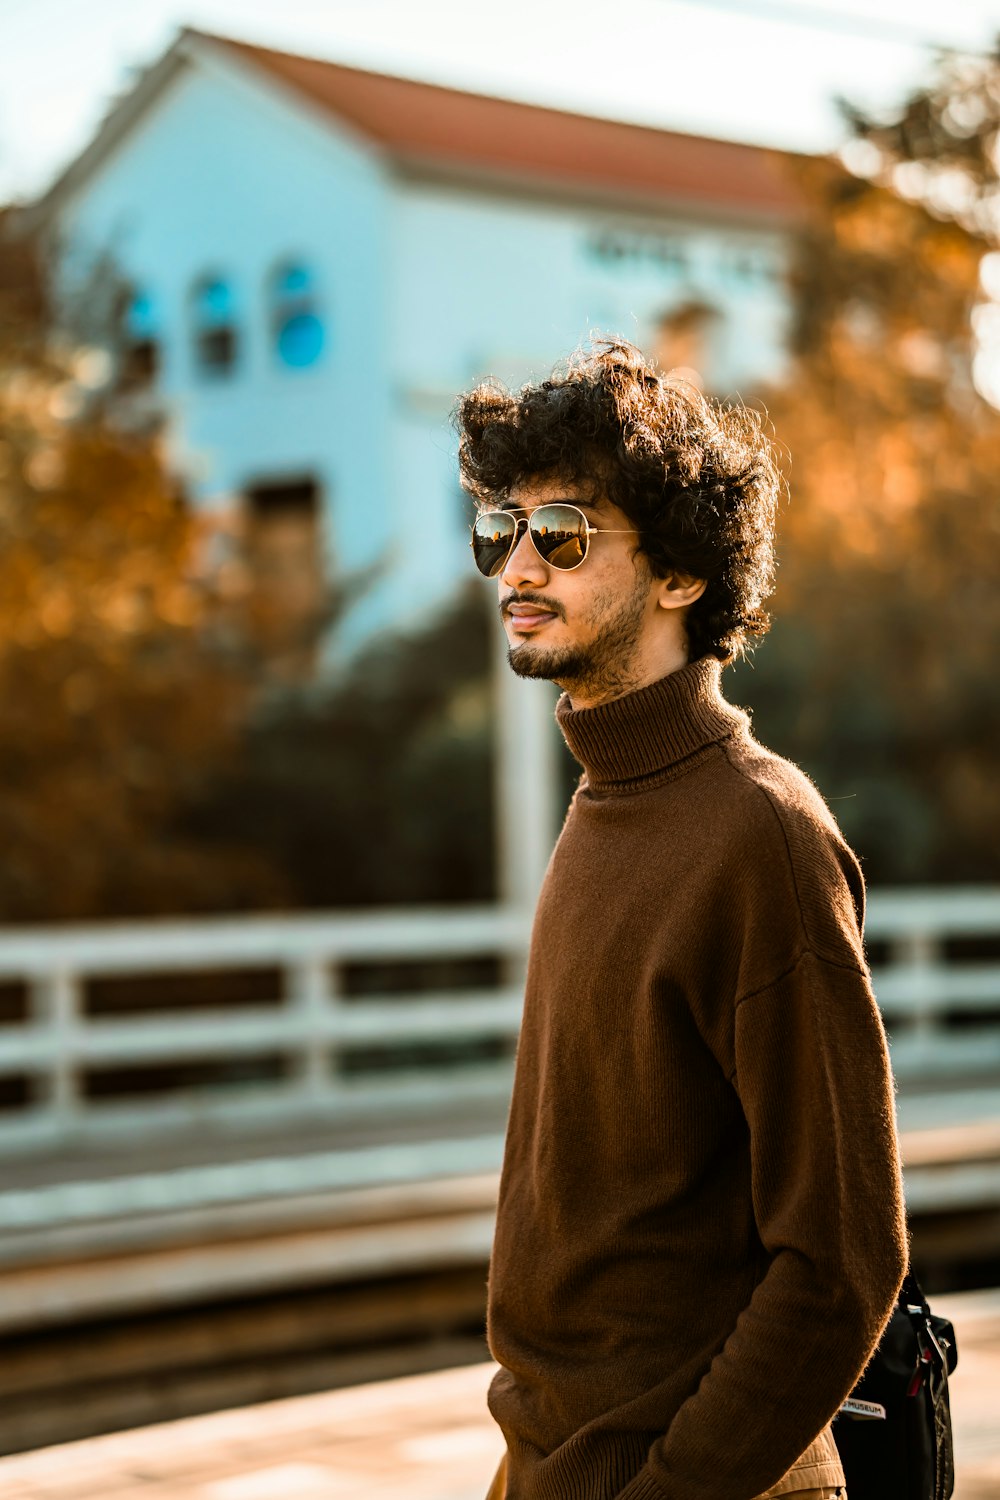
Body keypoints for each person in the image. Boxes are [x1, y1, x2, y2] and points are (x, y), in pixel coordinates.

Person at [455, 340, 907, 1500]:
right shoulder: (610, 798)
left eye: (561, 532)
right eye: (498, 531)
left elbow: (844, 1262)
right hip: (546, 1466)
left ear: (680, 575)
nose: (517, 564)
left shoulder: (760, 834)